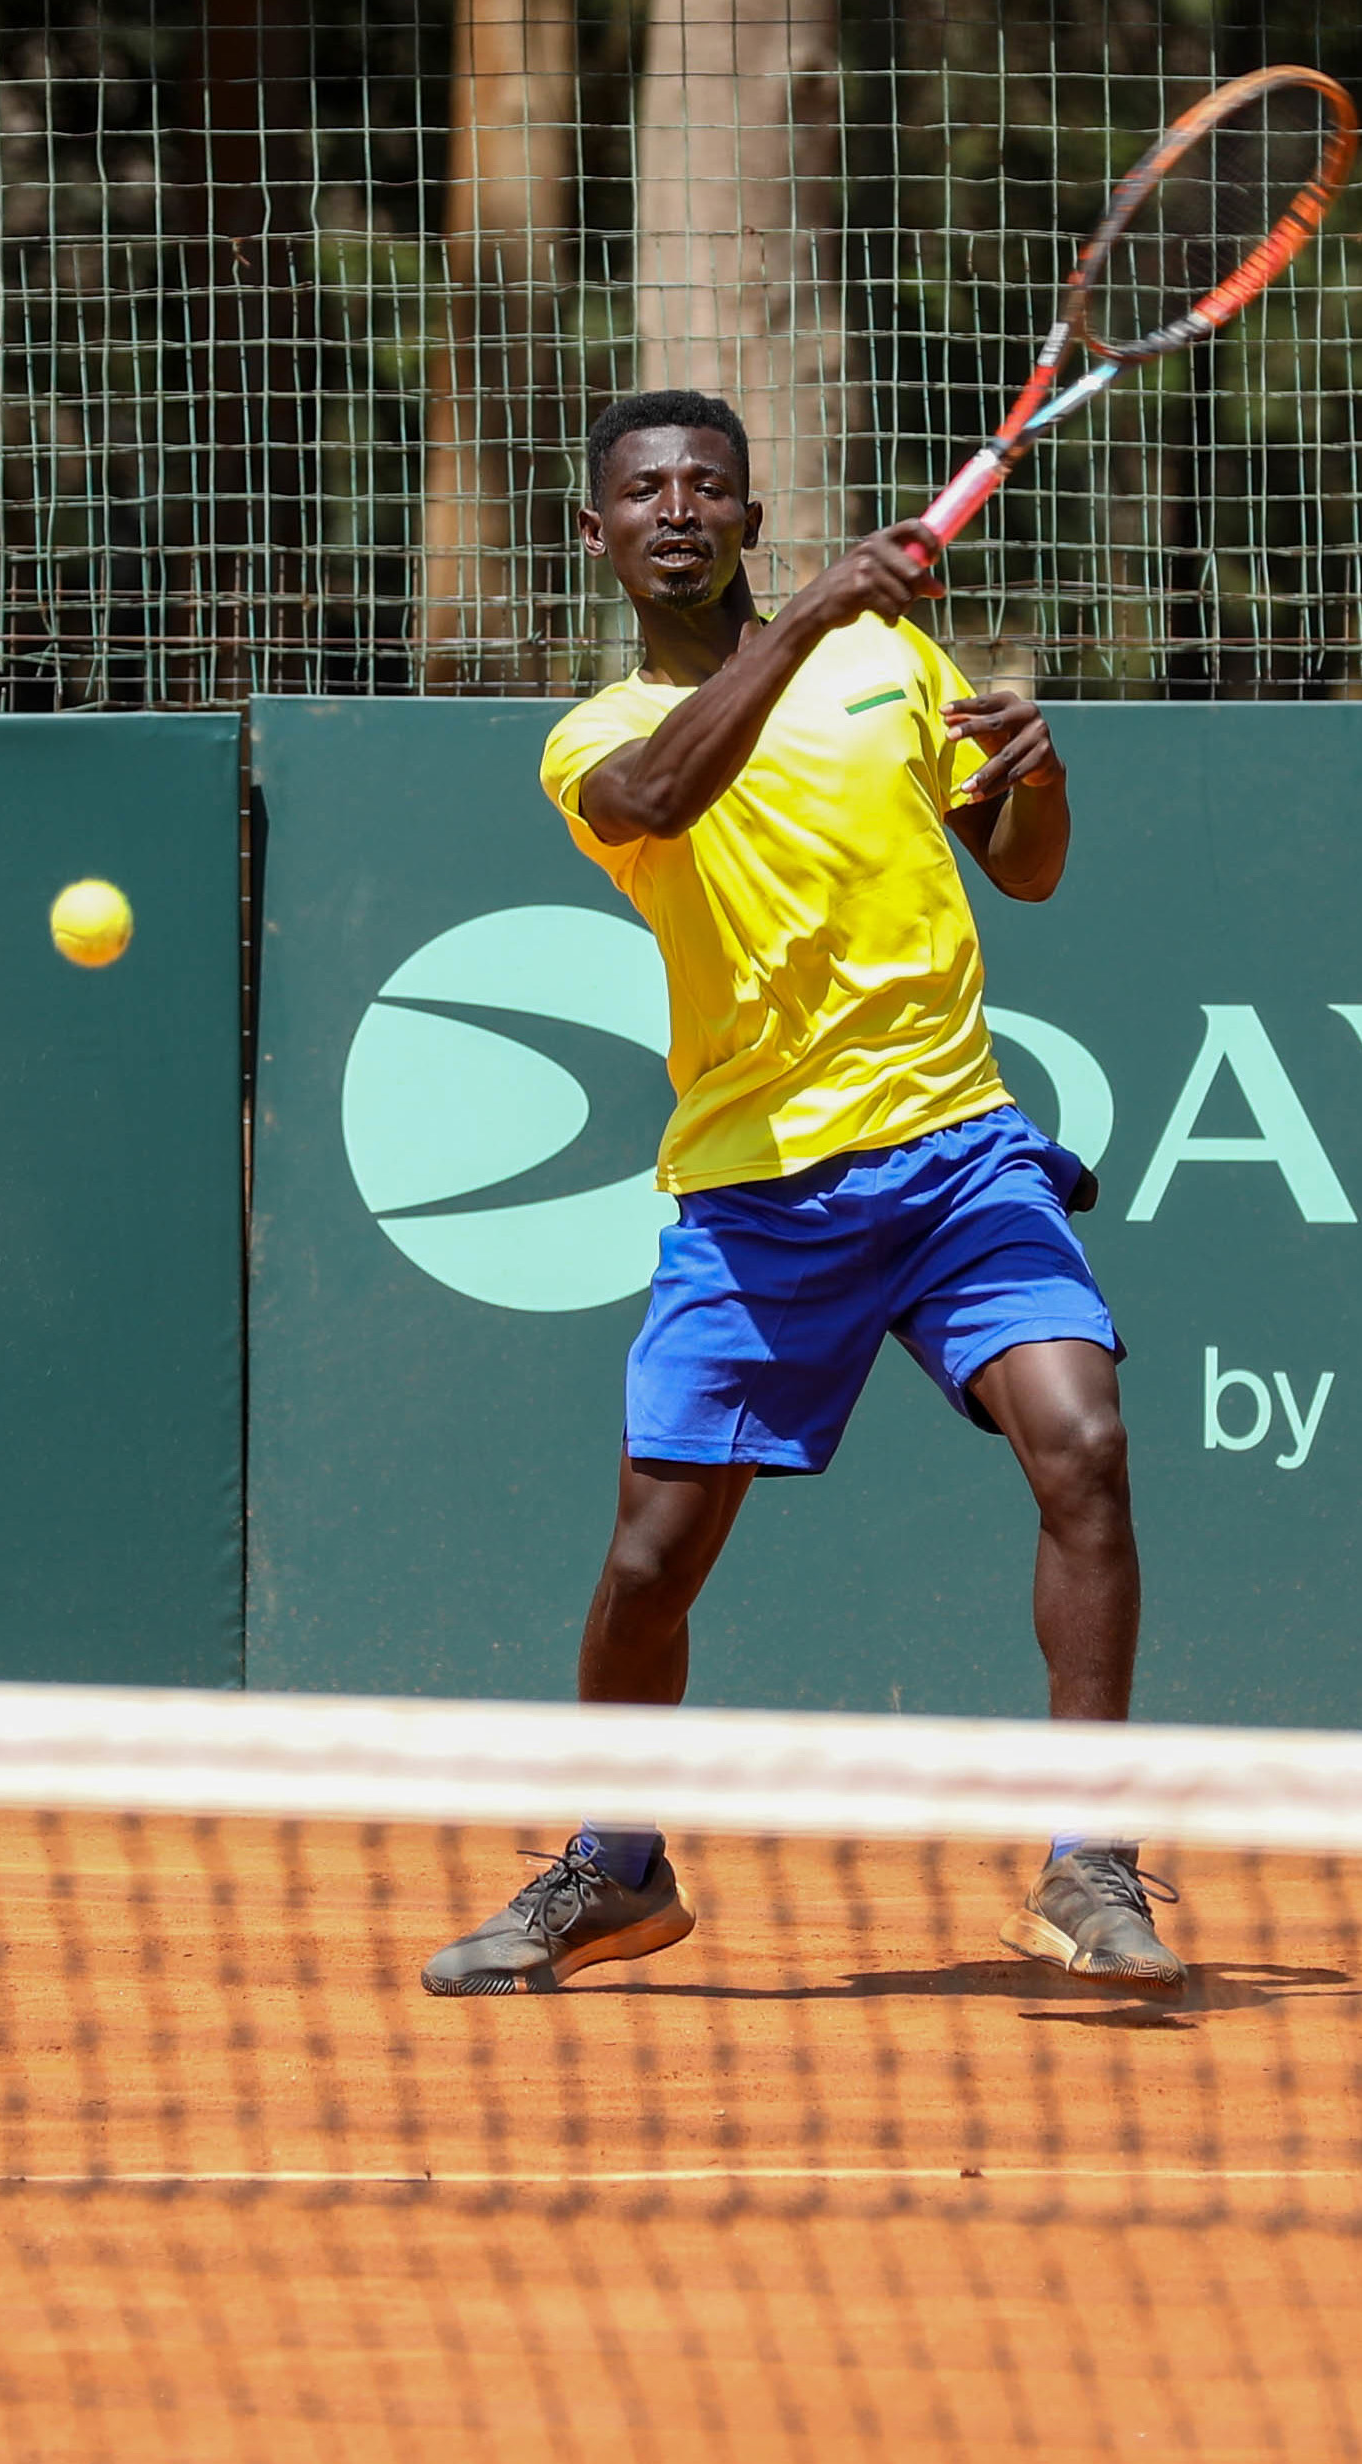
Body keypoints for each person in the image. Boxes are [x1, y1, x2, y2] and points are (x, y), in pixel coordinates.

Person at [418, 389, 1174, 2000]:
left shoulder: (892, 660)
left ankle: (1088, 1854)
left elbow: (1021, 864)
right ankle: (616, 1865)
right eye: (644, 491)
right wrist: (816, 614)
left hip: (957, 1151)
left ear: (749, 519)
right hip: (759, 1197)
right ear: (594, 534)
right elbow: (660, 799)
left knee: (1085, 1447)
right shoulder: (595, 737)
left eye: (708, 486)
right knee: (649, 1566)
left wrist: (1037, 777)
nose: (677, 510)